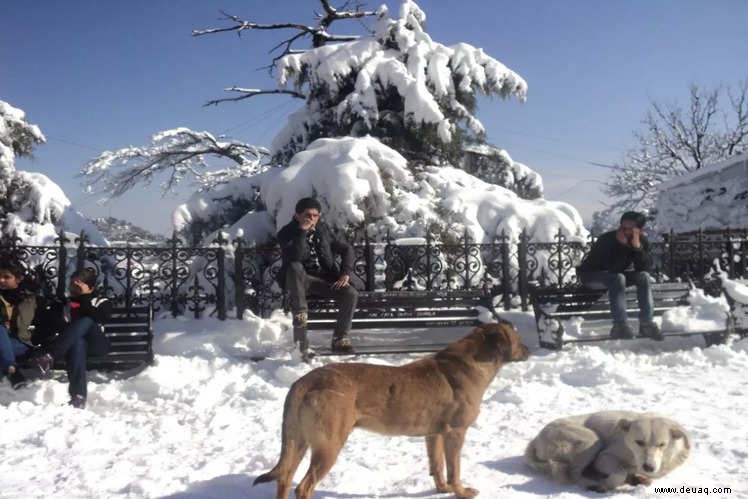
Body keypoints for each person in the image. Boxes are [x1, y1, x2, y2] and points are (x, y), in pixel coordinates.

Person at [277, 197, 358, 355]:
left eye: (315, 215)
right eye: (307, 214)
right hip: (300, 281)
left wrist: (345, 274)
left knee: (350, 293)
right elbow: (295, 256)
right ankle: (301, 333)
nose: (312, 218)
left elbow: (346, 249)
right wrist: (302, 231)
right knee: (295, 267)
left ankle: (340, 338)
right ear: (297, 215)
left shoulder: (323, 230)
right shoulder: (286, 233)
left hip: (324, 280)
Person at [577, 211, 662, 340]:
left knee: (643, 276)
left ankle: (647, 323)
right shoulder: (606, 239)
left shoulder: (641, 241)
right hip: (591, 275)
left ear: (639, 230)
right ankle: (620, 325)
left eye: (630, 229)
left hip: (615, 278)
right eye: (623, 227)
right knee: (618, 277)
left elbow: (645, 268)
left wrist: (637, 248)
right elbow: (610, 268)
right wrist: (623, 246)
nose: (625, 231)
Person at [33, 268, 112, 408]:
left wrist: (84, 298)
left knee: (87, 320)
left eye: (78, 286)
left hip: (97, 344)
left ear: (91, 288)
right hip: (73, 346)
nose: (73, 289)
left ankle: (51, 355)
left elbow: (100, 318)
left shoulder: (102, 301)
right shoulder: (64, 303)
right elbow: (51, 325)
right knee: (78, 343)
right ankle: (78, 397)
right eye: (72, 285)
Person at [0, 258, 36, 389]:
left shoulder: (29, 299)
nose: (1, 280)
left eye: (6, 277)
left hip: (20, 343)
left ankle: (11, 368)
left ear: (18, 279)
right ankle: (12, 369)